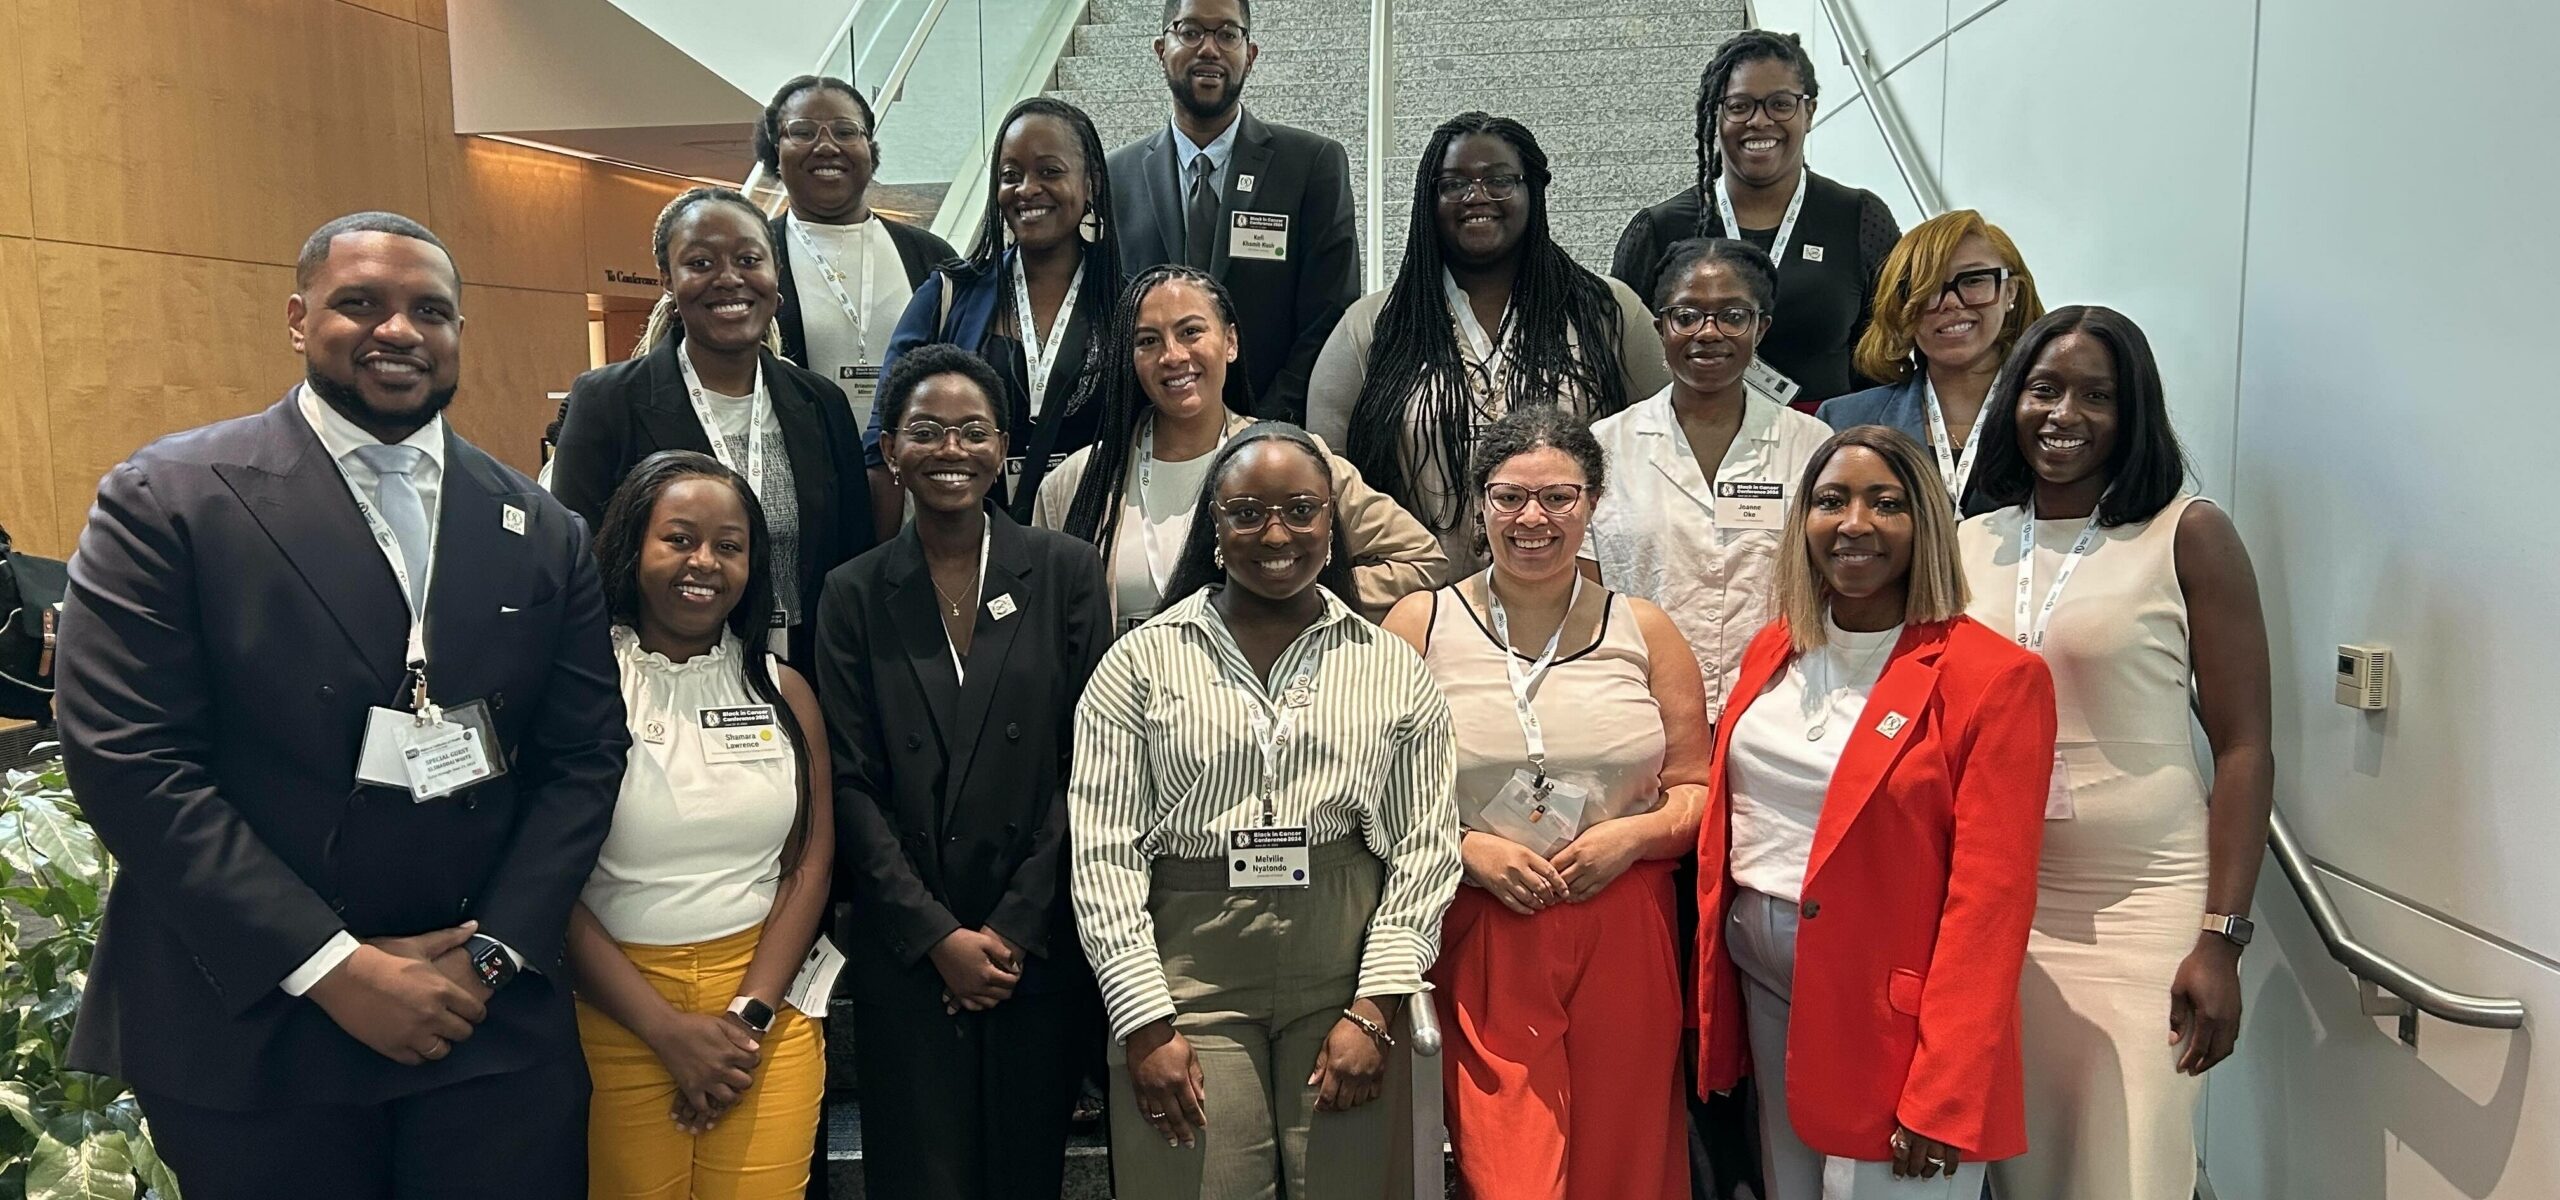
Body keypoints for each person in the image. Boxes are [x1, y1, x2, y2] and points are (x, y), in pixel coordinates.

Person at [52, 212, 629, 1197]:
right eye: (360, 303)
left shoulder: (541, 528)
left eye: (430, 311)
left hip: (481, 1021)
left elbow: (583, 759)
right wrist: (333, 968)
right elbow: (130, 759)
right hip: (253, 1022)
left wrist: (487, 958)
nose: (399, 331)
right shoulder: (169, 500)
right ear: (296, 317)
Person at [1068, 422, 1461, 1199]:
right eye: (1246, 512)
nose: (1274, 533)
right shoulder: (1140, 661)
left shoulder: (1389, 665)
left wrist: (1377, 1006)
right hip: (1189, 969)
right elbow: (1102, 852)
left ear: (1331, 522)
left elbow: (1426, 847)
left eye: (1300, 510)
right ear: (1214, 525)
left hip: (1342, 959)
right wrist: (1144, 1021)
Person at [1955, 307, 2273, 1200]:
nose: (2065, 414)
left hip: (2142, 905)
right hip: (2003, 905)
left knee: (2128, 1165)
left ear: (2135, 415)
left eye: (2098, 396)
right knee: (2025, 1166)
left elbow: (2246, 746)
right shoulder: (1971, 537)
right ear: (2013, 398)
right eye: (2045, 388)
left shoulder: (2187, 534)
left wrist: (2222, 939)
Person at [1696, 425, 2054, 1198]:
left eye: (1884, 503)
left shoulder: (1993, 678)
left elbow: (1990, 904)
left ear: (1923, 523)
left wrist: (1946, 1091)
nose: (1853, 522)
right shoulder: (1776, 648)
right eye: (1831, 501)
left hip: (1891, 1014)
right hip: (1767, 982)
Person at [1380, 407, 1708, 1199]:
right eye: (1509, 497)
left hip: (1624, 920)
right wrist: (1464, 849)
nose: (1533, 518)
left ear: (1593, 503)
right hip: (1482, 920)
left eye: (1559, 497)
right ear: (1479, 504)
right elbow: (1371, 791)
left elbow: (1697, 787)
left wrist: (1632, 838)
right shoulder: (1418, 625)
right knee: (1512, 1172)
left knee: (1627, 1161)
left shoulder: (1647, 630)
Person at [817, 344, 1112, 1199]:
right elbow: (850, 779)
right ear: (892, 451)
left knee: (1024, 1172)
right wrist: (937, 936)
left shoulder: (1063, 571)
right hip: (911, 946)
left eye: (973, 430)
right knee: (921, 1177)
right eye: (927, 431)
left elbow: (1087, 763)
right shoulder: (854, 590)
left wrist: (1014, 925)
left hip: (1034, 937)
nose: (952, 449)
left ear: (1004, 448)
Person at [570, 451, 832, 1198]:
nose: (704, 563)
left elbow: (808, 867)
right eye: (679, 539)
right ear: (632, 546)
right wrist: (667, 1033)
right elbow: (545, 880)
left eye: (729, 545)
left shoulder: (782, 688)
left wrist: (742, 1024)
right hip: (614, 1014)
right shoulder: (579, 685)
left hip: (762, 1014)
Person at [1309, 111, 1671, 576]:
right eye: (1454, 184)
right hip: (1425, 609)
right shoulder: (1374, 326)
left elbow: (1659, 446)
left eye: (1499, 181)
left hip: (1579, 596)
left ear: (1531, 191)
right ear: (1429, 198)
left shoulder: (1606, 310)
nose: (1476, 196)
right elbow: (1327, 476)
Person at [551, 186, 876, 673]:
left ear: (775, 274)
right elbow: (577, 568)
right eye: (701, 263)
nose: (729, 279)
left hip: (809, 673)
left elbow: (854, 556)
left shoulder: (821, 403)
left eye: (748, 260)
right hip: (662, 681)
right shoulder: (608, 402)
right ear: (668, 281)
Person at [1035, 264, 1448, 629]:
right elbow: (1042, 618)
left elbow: (1422, 560)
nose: (1173, 355)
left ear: (1230, 342)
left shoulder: (1293, 461)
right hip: (1124, 706)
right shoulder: (1075, 484)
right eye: (1148, 341)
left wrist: (1297, 587)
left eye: (1191, 332)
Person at [1587, 238, 1834, 725]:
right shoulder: (1606, 445)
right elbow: (1586, 590)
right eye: (1686, 316)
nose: (1708, 332)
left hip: (1776, 703)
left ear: (1760, 327)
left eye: (1733, 316)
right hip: (1638, 702)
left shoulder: (1810, 445)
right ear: (1661, 327)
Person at [869, 97, 1126, 532]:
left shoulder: (1127, 301)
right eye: (1010, 176)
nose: (1026, 189)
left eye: (1049, 172)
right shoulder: (947, 296)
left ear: (1092, 185)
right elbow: (885, 432)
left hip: (1097, 539)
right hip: (967, 543)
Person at [1610, 30, 1901, 413]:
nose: (1760, 121)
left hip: (1829, 450)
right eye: (1739, 106)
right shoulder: (1659, 230)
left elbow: (1888, 357)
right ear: (1716, 114)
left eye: (1780, 104)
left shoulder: (1858, 219)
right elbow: (1621, 364)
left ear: (1809, 112)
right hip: (1691, 447)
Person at [1103, 0, 1362, 424]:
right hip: (1150, 434)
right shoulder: (1117, 176)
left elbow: (1330, 313)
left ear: (1250, 55)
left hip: (1273, 435)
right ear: (1160, 49)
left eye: (1227, 34)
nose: (1209, 49)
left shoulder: (1311, 164)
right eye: (1190, 32)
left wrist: (1262, 427)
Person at [758, 75, 962, 433]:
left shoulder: (930, 255)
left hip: (914, 472)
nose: (826, 147)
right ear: (775, 151)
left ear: (870, 149)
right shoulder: (754, 257)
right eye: (803, 132)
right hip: (801, 471)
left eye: (845, 131)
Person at [1818, 210, 2045, 498]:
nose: (1950, 302)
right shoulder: (1844, 420)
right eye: (1927, 288)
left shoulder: (2051, 417)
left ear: (2010, 292)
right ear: (1899, 305)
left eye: (1973, 280)